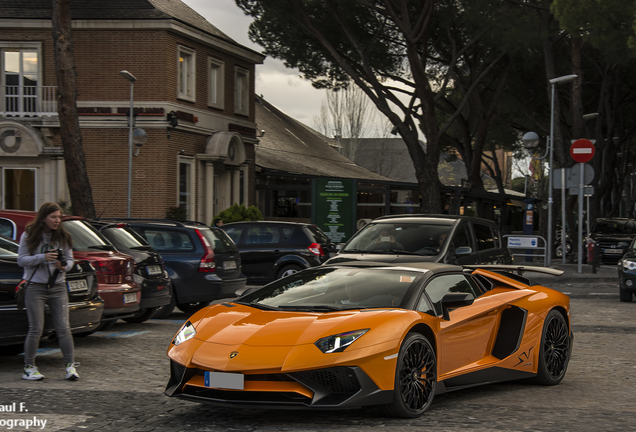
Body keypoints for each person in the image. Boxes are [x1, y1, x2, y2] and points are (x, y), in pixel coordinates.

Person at [17, 202, 78, 381]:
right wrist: (42, 258)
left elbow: (70, 260)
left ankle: (70, 366)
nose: (57, 220)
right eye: (53, 217)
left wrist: (63, 266)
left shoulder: (63, 237)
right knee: (36, 328)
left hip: (58, 287)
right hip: (35, 286)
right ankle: (29, 367)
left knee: (64, 328)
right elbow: (21, 260)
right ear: (43, 218)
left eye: (59, 217)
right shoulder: (29, 235)